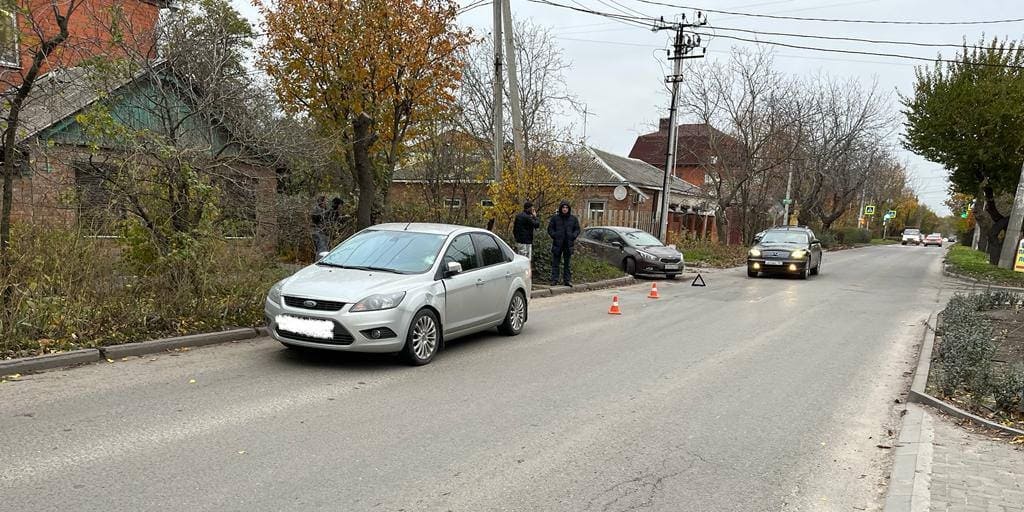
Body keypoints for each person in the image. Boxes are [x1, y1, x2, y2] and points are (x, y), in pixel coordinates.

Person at [547, 200, 580, 286]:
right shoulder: (555, 218)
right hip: (557, 243)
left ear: (569, 209)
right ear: (560, 208)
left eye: (566, 207)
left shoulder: (573, 219)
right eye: (563, 207)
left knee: (567, 264)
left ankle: (567, 280)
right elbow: (550, 228)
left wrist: (573, 236)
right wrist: (554, 235)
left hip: (568, 244)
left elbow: (577, 229)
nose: (565, 209)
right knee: (555, 263)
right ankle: (554, 280)